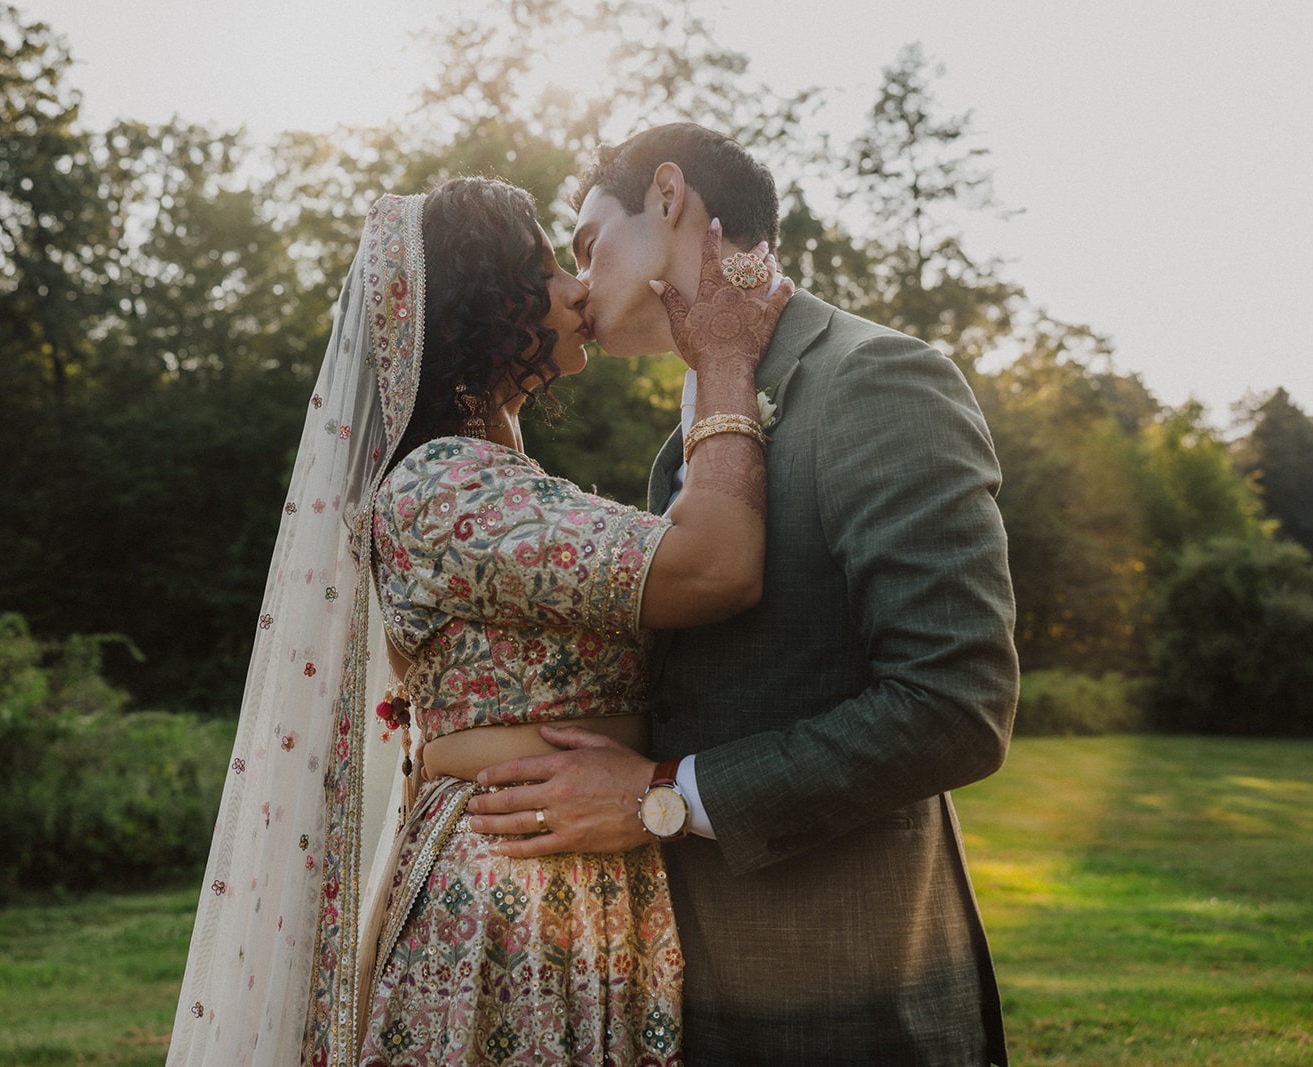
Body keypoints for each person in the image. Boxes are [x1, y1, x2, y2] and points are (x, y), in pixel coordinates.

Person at [165, 176, 791, 1065]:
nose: (578, 290)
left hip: (577, 866)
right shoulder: (442, 486)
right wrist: (725, 362)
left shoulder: (500, 479)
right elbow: (715, 566)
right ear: (480, 306)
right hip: (511, 893)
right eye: (546, 273)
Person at [468, 123, 1020, 1065]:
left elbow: (954, 704)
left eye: (589, 245)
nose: (575, 284)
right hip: (688, 995)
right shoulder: (679, 455)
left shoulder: (877, 380)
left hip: (849, 997)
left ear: (669, 198)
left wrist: (658, 796)